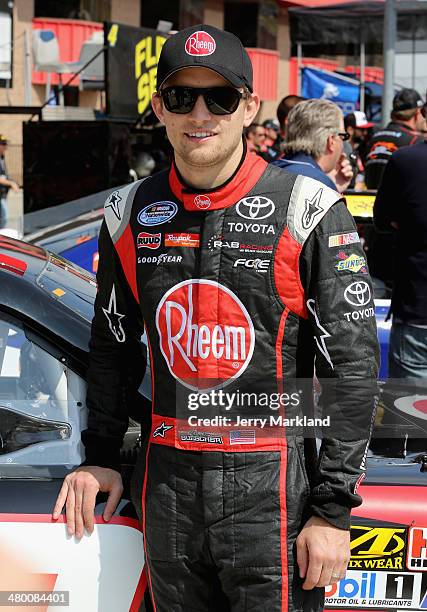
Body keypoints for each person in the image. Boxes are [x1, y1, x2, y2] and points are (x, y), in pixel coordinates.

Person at [53, 24, 379, 612]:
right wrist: (100, 454)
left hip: (274, 489)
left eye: (220, 98)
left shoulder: (307, 208)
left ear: (249, 107)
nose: (199, 114)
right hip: (170, 485)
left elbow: (351, 366)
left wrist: (332, 511)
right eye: (181, 97)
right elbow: (112, 347)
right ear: (159, 108)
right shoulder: (129, 211)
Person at [373, 105, 427, 378]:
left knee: (410, 416)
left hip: (416, 308)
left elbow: (382, 219)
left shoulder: (406, 161)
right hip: (414, 310)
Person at [273, 98, 353, 193]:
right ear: (331, 141)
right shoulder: (320, 185)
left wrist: (334, 186)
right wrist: (330, 190)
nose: (343, 144)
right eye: (343, 136)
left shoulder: (266, 172)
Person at [365, 88, 425, 189]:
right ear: (418, 113)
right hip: (399, 201)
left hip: (366, 202)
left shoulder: (374, 138)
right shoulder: (415, 141)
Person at [343, 111, 374, 190]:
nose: (365, 133)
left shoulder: (359, 150)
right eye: (362, 130)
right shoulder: (343, 150)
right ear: (350, 129)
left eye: (366, 129)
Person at [0, 135, 19, 230]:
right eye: (3, 144)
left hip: (2, 194)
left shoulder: (2, 158)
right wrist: (11, 183)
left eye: (5, 143)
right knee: (4, 218)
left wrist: (11, 180)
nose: (5, 146)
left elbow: (3, 175)